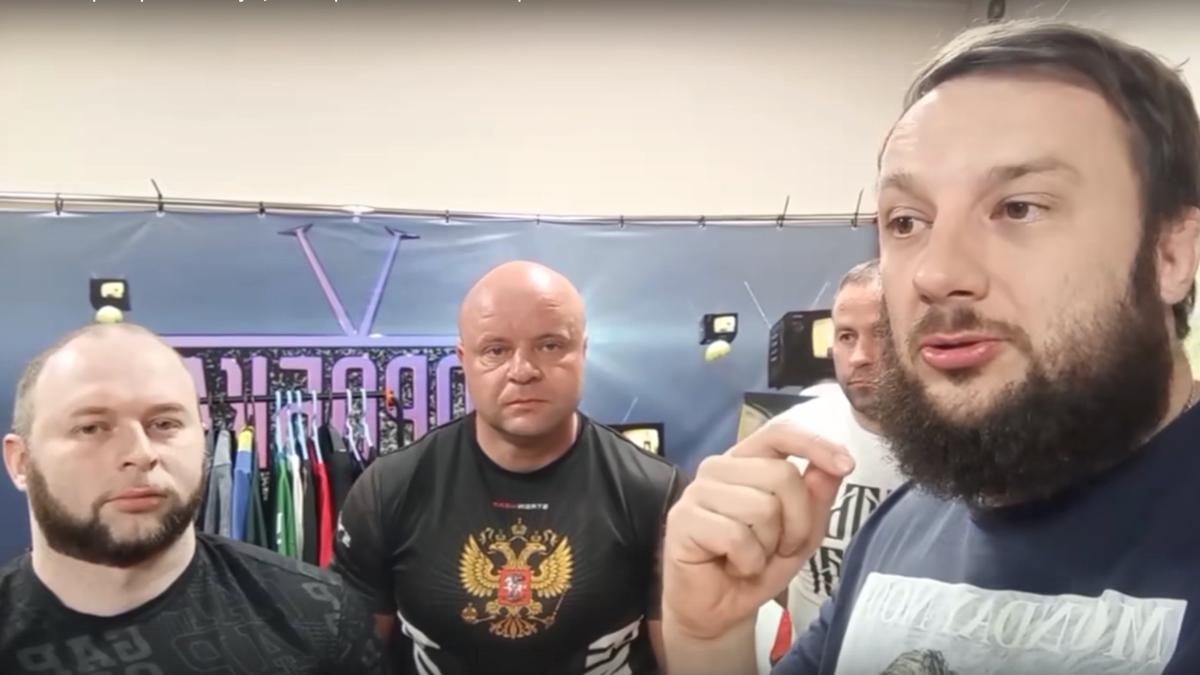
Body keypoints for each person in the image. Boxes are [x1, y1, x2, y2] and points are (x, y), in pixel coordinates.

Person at [660, 19, 1200, 675]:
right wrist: (708, 638)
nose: (936, 273)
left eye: (1020, 207)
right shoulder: (903, 525)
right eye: (907, 221)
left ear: (1171, 254)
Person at [332, 260, 686, 674]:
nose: (523, 371)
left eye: (550, 345)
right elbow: (351, 662)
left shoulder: (655, 493)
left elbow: (688, 662)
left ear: (583, 351)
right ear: (464, 359)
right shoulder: (388, 489)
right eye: (495, 350)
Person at [0, 323, 389, 674]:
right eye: (91, 428)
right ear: (21, 462)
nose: (140, 453)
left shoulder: (322, 616)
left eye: (164, 423)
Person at [772, 259, 904, 639]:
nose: (861, 356)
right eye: (846, 336)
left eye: (883, 334)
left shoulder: (962, 455)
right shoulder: (793, 434)